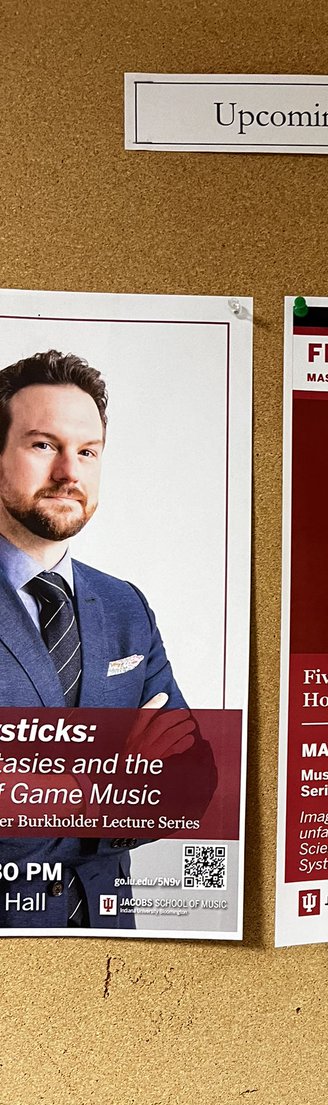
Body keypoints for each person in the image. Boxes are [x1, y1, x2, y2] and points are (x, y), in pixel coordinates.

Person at [0, 349, 210, 930]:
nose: (70, 472)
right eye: (43, 445)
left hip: (107, 940)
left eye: (87, 452)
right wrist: (121, 777)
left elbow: (194, 783)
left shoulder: (124, 607)